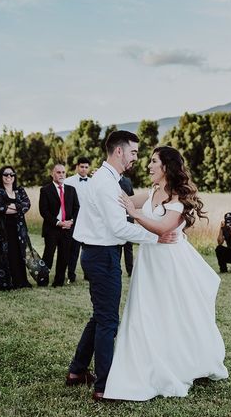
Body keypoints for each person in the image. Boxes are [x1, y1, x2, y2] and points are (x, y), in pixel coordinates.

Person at [104, 146, 228, 400]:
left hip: (170, 263)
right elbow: (124, 198)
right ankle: (143, 360)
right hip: (149, 261)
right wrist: (106, 181)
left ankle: (185, 359)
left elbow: (162, 228)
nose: (148, 166)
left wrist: (134, 213)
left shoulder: (178, 200)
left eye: (153, 162)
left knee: (173, 310)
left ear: (166, 167)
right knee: (145, 310)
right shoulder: (152, 191)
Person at [66, 131, 177, 401]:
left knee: (99, 315)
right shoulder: (105, 183)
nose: (136, 159)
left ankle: (77, 371)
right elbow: (118, 228)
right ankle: (104, 387)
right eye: (134, 153)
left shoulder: (108, 180)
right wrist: (156, 236)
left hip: (99, 253)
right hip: (102, 255)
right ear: (119, 152)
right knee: (108, 321)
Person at [0, 166, 33, 290]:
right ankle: (5, 283)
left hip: (18, 229)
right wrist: (16, 207)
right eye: (6, 174)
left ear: (14, 177)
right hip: (2, 229)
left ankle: (20, 281)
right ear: (1, 176)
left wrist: (10, 207)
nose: (9, 177)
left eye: (11, 174)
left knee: (19, 253)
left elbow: (27, 205)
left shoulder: (20, 190)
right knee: (3, 254)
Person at [39, 163, 79, 287]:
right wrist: (58, 222)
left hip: (67, 228)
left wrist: (71, 221)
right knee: (48, 255)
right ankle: (43, 280)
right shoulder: (45, 190)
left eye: (63, 172)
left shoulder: (71, 190)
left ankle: (59, 281)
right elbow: (43, 211)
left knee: (64, 256)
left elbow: (77, 208)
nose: (61, 174)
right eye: (58, 172)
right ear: (52, 174)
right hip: (52, 228)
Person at [64, 156, 91, 283]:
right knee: (73, 249)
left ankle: (88, 274)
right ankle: (71, 275)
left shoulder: (93, 182)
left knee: (89, 249)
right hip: (75, 220)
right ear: (77, 167)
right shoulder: (68, 181)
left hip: (89, 220)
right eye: (82, 166)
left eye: (86, 167)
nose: (84, 169)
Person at [118, 174, 135, 276]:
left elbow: (132, 198)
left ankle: (130, 271)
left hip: (129, 217)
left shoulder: (128, 180)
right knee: (118, 246)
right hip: (117, 217)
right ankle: (117, 270)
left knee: (129, 247)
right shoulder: (111, 180)